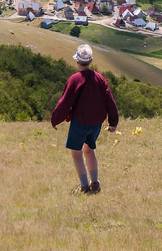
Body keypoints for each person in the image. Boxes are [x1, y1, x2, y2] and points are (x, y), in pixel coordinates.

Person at [51, 44, 119, 193]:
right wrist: (113, 122)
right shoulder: (100, 78)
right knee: (89, 150)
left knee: (76, 153)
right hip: (96, 124)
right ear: (90, 61)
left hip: (79, 122)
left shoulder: (74, 79)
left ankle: (84, 187)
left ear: (77, 61)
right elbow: (110, 101)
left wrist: (55, 119)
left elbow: (65, 102)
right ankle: (95, 183)